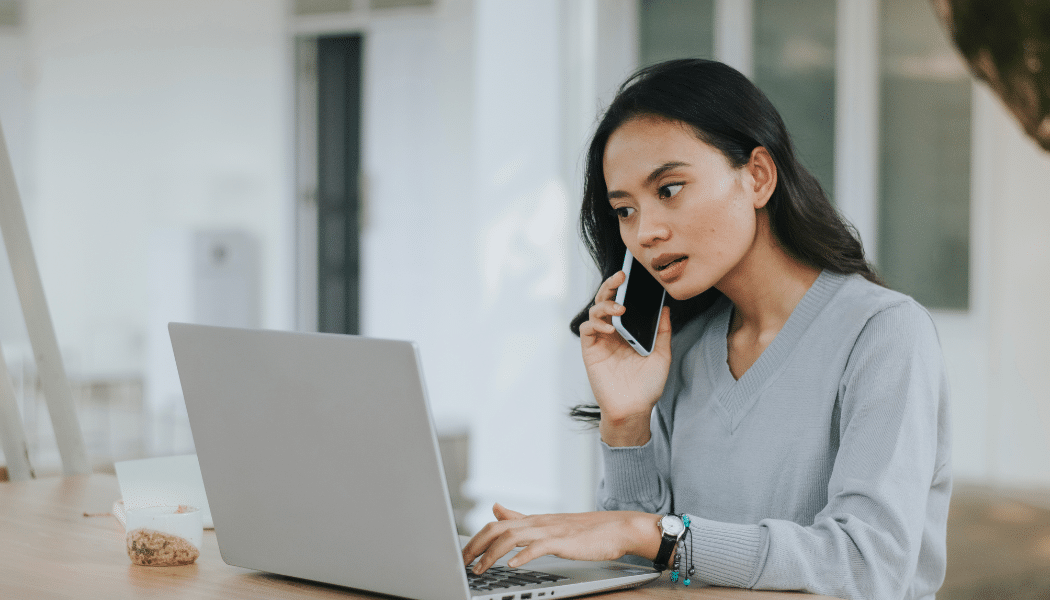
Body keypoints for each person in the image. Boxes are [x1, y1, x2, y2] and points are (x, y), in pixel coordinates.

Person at [460, 59, 952, 600]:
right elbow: (640, 567)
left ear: (758, 176)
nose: (646, 232)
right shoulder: (682, 351)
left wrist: (647, 532)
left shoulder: (883, 333)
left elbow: (867, 565)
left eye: (669, 189)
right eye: (624, 210)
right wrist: (626, 423)